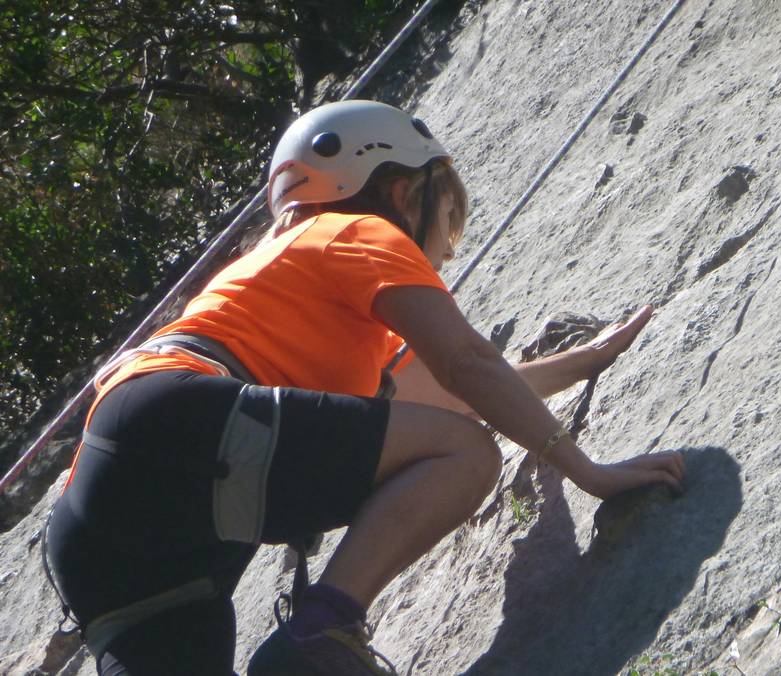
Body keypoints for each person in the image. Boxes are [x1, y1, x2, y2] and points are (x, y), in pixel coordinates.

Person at [45, 100, 685, 676]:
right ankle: (325, 622)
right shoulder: (359, 231)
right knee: (468, 453)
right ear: (405, 192)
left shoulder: (285, 283)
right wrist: (591, 473)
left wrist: (584, 362)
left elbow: (449, 396)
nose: (442, 257)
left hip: (99, 523)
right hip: (183, 423)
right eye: (448, 219)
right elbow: (464, 368)